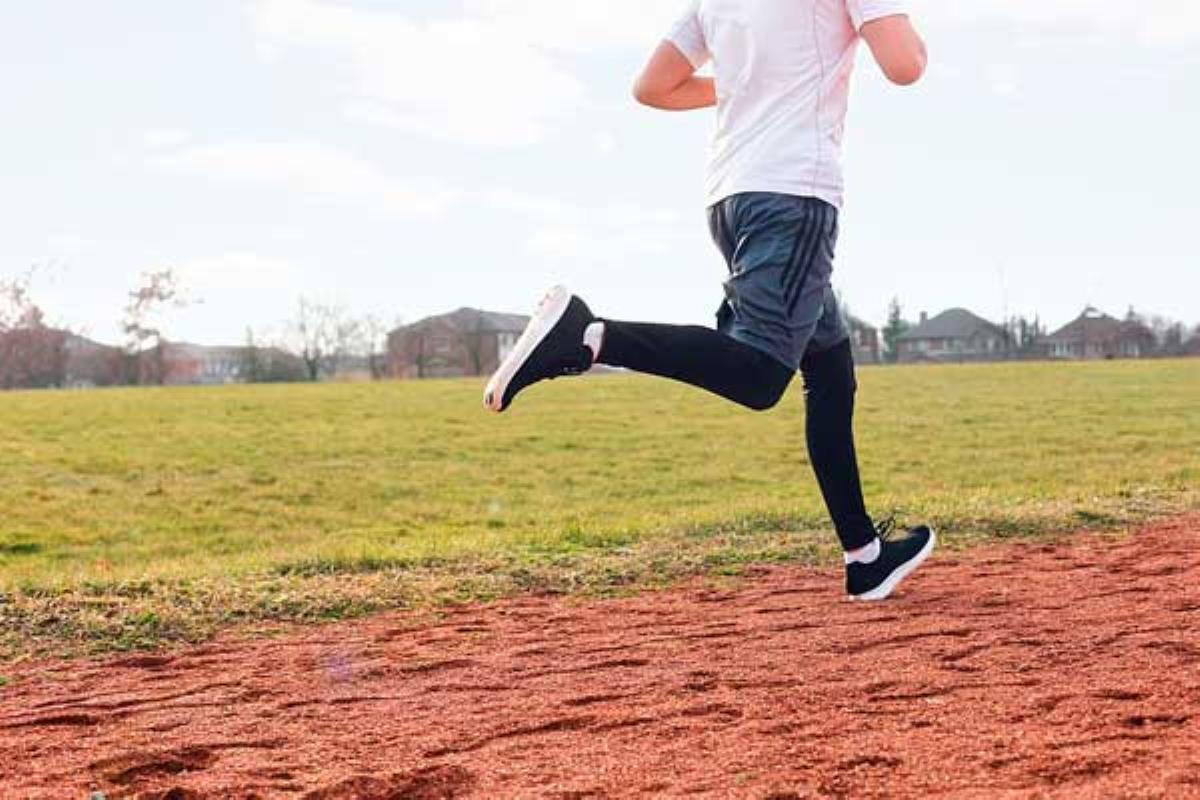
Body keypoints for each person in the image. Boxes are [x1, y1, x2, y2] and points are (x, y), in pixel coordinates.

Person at [484, 0, 933, 602]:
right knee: (759, 375)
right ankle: (590, 336)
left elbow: (653, 87)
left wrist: (754, 85)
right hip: (794, 193)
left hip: (732, 199)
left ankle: (866, 556)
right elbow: (905, 65)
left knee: (830, 369)